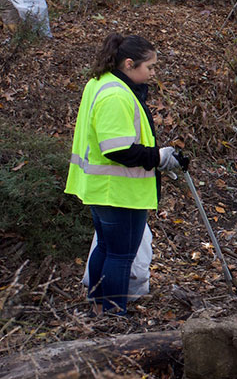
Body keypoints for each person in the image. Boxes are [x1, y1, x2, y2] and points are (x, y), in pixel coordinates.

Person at [66, 33, 188, 316]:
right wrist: (159, 157)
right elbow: (117, 149)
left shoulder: (101, 83)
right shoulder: (116, 94)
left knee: (106, 248)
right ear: (129, 63)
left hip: (102, 187)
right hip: (117, 191)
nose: (154, 73)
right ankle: (113, 314)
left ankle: (98, 306)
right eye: (150, 67)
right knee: (120, 255)